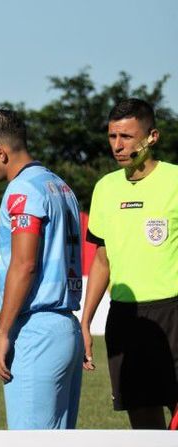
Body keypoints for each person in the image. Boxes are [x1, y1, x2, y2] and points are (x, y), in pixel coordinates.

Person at [0, 108, 84, 429]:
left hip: (37, 333)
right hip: (65, 328)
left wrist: (5, 333)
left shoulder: (22, 190)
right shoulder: (59, 185)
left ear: (0, 153)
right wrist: (6, 309)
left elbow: (25, 263)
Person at [81, 98, 178, 429]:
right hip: (125, 317)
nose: (118, 146)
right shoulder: (105, 189)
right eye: (112, 137)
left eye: (127, 137)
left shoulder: (175, 181)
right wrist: (86, 321)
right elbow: (102, 259)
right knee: (143, 422)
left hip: (173, 312)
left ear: (152, 137)